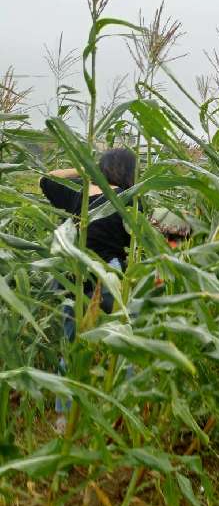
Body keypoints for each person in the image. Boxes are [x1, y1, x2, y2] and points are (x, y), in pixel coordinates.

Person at [40, 147, 137, 431]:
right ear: (130, 171)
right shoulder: (130, 199)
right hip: (109, 274)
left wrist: (83, 172)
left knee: (70, 344)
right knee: (121, 337)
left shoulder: (77, 196)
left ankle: (63, 417)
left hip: (74, 274)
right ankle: (124, 408)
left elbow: (46, 178)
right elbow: (136, 241)